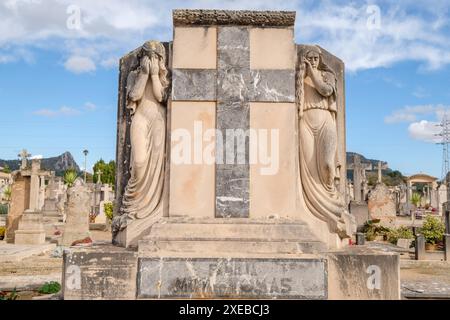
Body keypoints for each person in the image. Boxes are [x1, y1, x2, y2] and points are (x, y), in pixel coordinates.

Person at [120, 41, 169, 220]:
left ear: (160, 59)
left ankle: (151, 208)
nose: (150, 60)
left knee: (157, 164)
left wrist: (155, 75)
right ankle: (135, 205)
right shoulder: (134, 75)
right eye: (147, 57)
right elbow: (134, 95)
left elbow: (160, 96)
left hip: (158, 120)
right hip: (141, 118)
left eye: (154, 57)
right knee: (139, 163)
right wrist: (145, 74)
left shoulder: (164, 77)